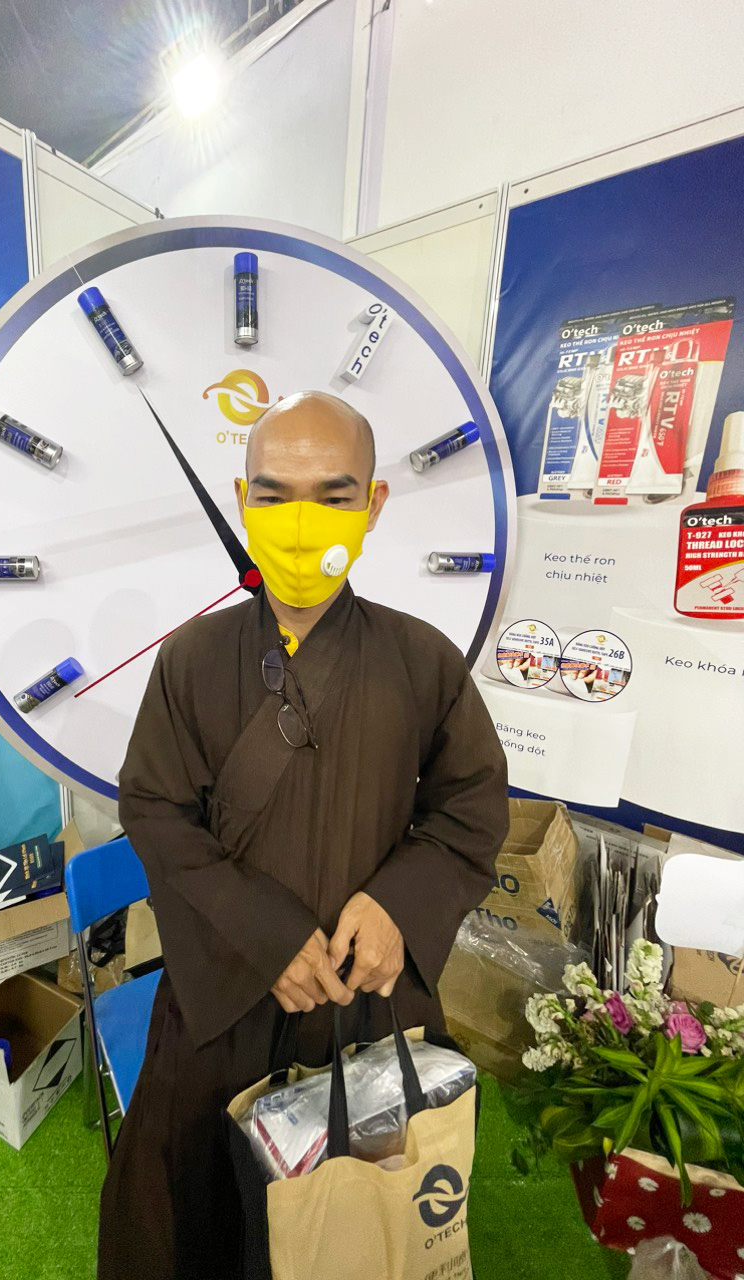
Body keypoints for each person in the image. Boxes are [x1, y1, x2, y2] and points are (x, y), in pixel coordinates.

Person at [98, 391, 509, 1280]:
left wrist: (400, 906)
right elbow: (153, 809)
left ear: (374, 503)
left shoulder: (422, 658)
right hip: (226, 993)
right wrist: (265, 934)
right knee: (196, 1224)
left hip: (370, 995)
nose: (298, 521)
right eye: (274, 493)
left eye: (333, 493)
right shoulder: (190, 660)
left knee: (365, 1232)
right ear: (241, 499)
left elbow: (471, 807)